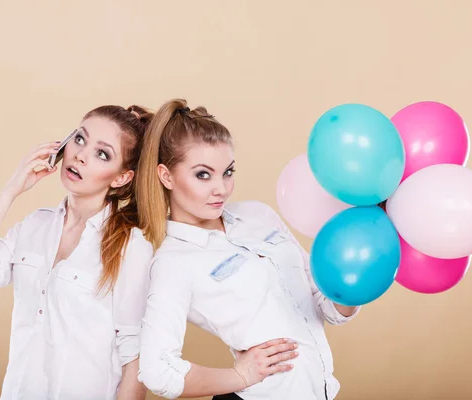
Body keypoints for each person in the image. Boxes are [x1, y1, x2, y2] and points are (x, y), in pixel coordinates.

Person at [135, 99, 361, 400]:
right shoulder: (173, 261)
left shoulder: (258, 215)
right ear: (166, 176)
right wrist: (240, 375)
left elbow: (324, 306)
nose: (222, 188)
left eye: (228, 172)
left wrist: (353, 287)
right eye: (203, 174)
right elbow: (157, 371)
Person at [0, 105, 154, 400]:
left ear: (121, 178)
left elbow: (134, 361)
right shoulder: (34, 226)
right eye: (80, 139)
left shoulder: (130, 246)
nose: (80, 155)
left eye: (102, 153)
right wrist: (11, 191)